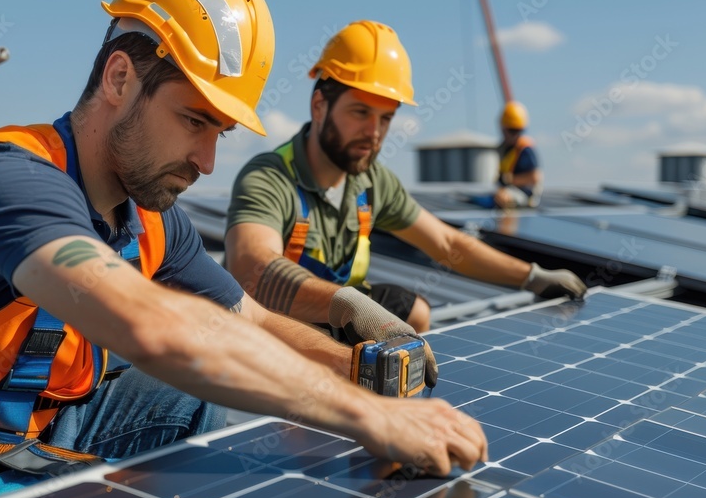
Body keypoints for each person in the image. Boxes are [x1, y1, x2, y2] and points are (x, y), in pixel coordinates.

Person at [0, 0, 486, 498]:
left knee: (186, 402)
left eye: (220, 134)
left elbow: (248, 322)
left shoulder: (149, 212)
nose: (207, 161)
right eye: (193, 120)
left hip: (19, 430)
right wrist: (371, 420)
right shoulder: (0, 185)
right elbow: (154, 327)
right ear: (120, 79)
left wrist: (359, 370)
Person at [224, 20, 586, 343]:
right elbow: (251, 267)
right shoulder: (270, 176)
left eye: (386, 118)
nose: (374, 132)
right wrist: (350, 304)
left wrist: (533, 276)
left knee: (414, 313)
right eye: (360, 112)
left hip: (333, 315)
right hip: (269, 328)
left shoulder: (370, 181)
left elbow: (447, 243)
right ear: (319, 106)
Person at [494, 101, 542, 209]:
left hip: (524, 194)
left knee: (503, 198)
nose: (515, 135)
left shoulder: (525, 149)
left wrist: (510, 180)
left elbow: (535, 177)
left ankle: (507, 226)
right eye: (512, 131)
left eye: (518, 131)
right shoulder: (504, 149)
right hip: (505, 190)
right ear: (503, 129)